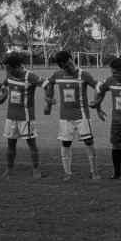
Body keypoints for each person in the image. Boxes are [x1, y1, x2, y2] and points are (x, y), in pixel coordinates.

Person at [44, 50, 104, 181]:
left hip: (82, 115)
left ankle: (94, 171)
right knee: (65, 144)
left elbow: (99, 86)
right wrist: (48, 99)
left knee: (89, 142)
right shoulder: (58, 74)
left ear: (71, 60)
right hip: (65, 117)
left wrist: (97, 104)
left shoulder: (84, 75)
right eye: (63, 66)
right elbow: (48, 84)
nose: (67, 68)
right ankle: (67, 173)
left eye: (67, 65)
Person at [0, 52, 45, 178]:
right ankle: (9, 169)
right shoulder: (9, 75)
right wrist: (2, 97)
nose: (6, 70)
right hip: (11, 117)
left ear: (15, 67)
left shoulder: (30, 76)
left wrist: (49, 101)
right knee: (10, 144)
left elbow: (46, 85)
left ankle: (36, 170)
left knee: (32, 144)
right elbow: (2, 89)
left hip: (26, 117)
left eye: (8, 68)